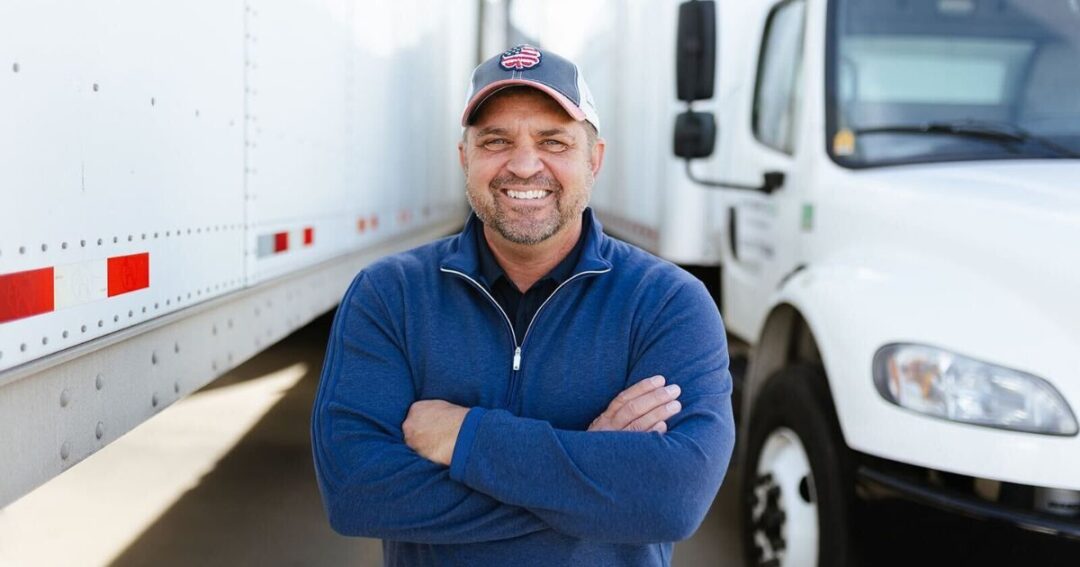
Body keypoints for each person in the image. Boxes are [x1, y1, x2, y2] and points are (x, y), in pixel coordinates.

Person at [311, 44, 735, 567]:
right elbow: (357, 492)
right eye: (496, 141)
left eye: (553, 141)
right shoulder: (389, 295)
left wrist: (467, 437)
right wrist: (594, 479)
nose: (524, 164)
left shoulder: (668, 303)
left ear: (594, 159)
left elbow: (672, 499)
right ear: (465, 158)